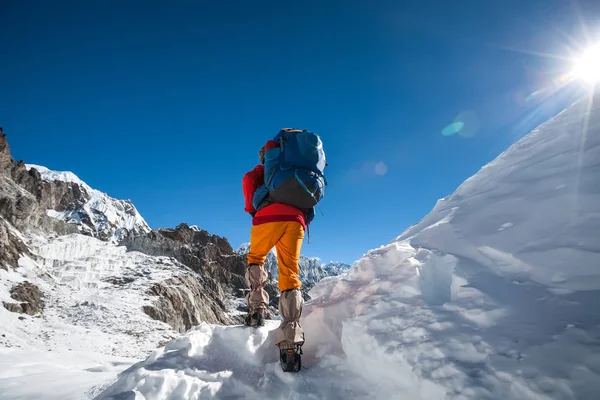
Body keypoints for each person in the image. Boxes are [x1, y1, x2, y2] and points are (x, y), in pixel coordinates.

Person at [242, 138, 309, 352]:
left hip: (266, 216)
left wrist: (253, 209)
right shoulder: (301, 170)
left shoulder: (264, 171)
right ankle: (290, 340)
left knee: (256, 257)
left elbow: (248, 181)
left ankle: (256, 311)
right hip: (296, 219)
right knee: (290, 273)